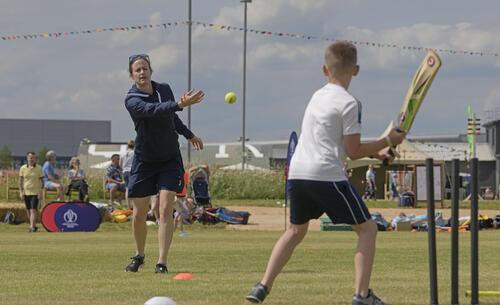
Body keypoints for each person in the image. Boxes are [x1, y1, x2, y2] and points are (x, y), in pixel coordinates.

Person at [245, 41, 405, 305]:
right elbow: (352, 151)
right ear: (356, 70)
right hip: (326, 175)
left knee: (295, 231)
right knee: (367, 230)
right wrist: (388, 141)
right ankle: (362, 296)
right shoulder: (351, 103)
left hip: (298, 172)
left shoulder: (317, 96)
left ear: (324, 69)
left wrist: (378, 152)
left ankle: (262, 285)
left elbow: (335, 142)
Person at [123, 54, 204, 274]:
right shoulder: (132, 99)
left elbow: (170, 117)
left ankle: (162, 262)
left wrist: (188, 134)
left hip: (169, 158)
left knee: (165, 208)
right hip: (144, 160)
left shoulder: (164, 89)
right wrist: (179, 104)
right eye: (137, 70)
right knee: (139, 214)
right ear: (132, 75)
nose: (142, 72)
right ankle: (139, 255)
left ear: (151, 70)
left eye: (145, 68)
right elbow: (154, 111)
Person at [19, 152, 44, 232]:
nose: (31, 159)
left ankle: (31, 227)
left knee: (33, 209)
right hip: (26, 192)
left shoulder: (39, 168)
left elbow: (42, 181)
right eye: (30, 157)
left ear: (35, 159)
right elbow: (20, 181)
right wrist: (21, 191)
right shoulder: (22, 168)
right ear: (27, 158)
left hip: (35, 192)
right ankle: (33, 226)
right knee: (28, 210)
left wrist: (40, 192)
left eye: (33, 157)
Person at [120, 140, 135, 208]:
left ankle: (128, 206)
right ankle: (134, 205)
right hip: (132, 171)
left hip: (124, 171)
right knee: (134, 188)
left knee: (127, 189)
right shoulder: (134, 152)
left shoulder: (122, 153)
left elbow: (120, 164)